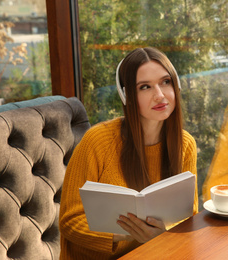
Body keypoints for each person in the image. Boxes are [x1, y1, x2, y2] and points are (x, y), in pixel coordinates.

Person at [59, 47, 198, 259]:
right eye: (145, 87)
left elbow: (189, 215)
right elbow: (70, 221)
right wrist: (128, 232)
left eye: (165, 82)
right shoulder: (97, 142)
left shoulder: (185, 144)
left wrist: (163, 234)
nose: (159, 95)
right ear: (127, 96)